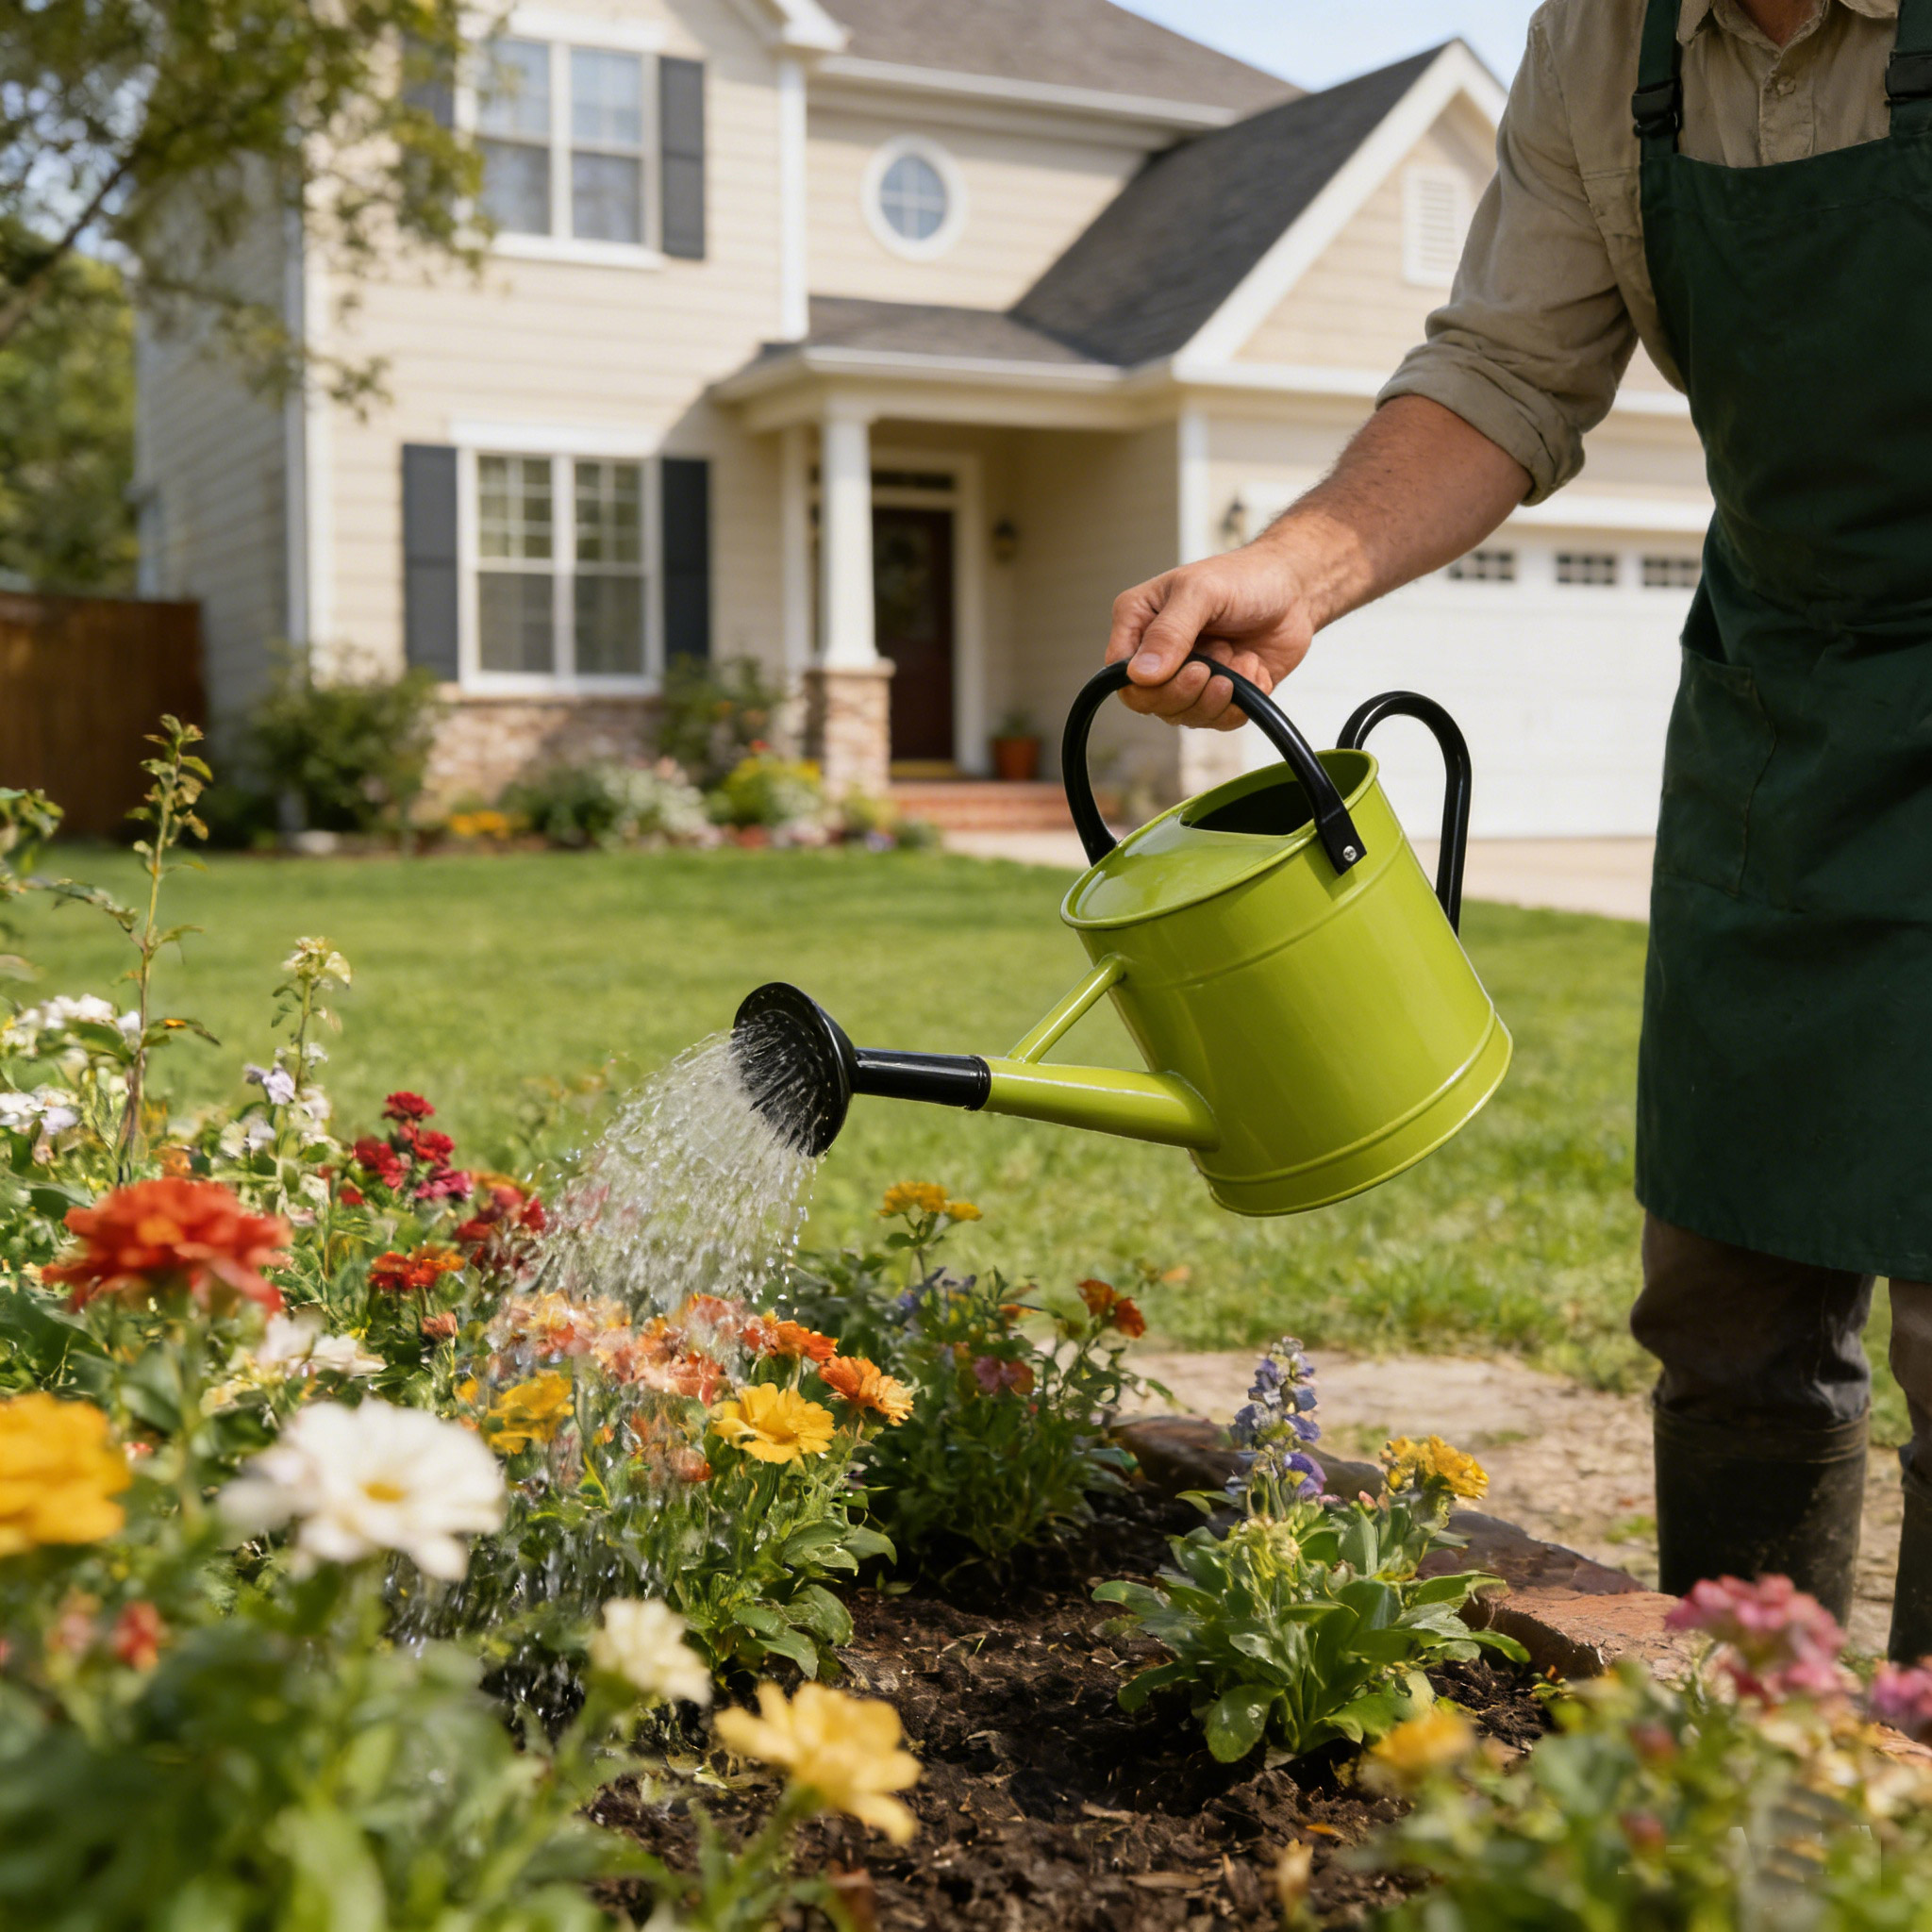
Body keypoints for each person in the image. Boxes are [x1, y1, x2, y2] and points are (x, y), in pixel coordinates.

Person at [1108, 0, 1932, 1654]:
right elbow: (1506, 363)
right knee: (1727, 1299)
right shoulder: (1604, 39)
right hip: (1787, 710)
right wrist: (1302, 570)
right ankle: (1736, 1765)